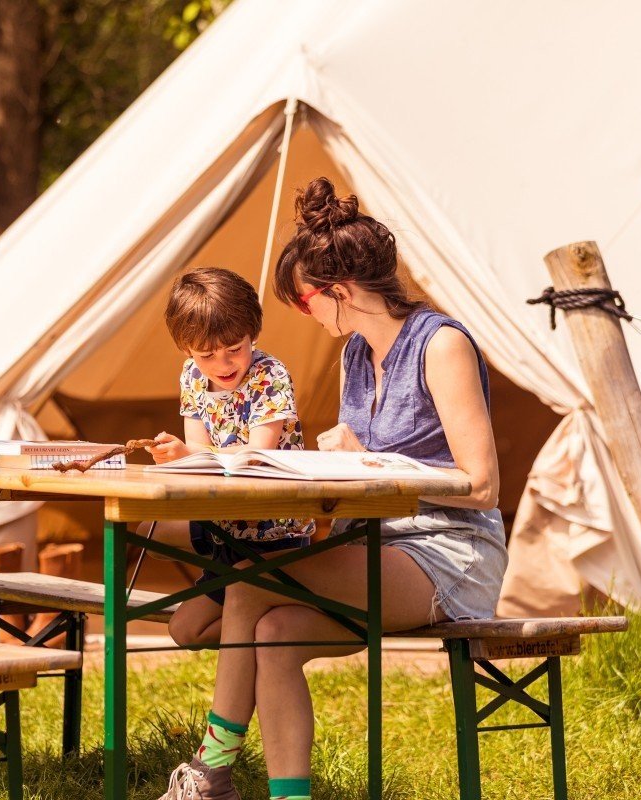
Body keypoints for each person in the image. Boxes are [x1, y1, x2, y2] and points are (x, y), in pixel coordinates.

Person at [156, 179, 507, 800]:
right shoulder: (354, 355)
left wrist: (370, 461)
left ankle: (210, 771)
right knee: (272, 632)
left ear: (338, 292)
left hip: (447, 552)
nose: (306, 315)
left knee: (251, 578)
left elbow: (481, 486)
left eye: (304, 302)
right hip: (367, 546)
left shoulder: (441, 345)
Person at [144, 267, 315, 649]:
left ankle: (271, 622)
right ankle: (258, 622)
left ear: (252, 333)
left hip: (275, 530)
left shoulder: (269, 375)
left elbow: (257, 454)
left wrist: (191, 453)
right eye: (207, 355)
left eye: (235, 349)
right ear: (187, 349)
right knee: (183, 629)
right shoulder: (192, 375)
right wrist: (176, 456)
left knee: (244, 611)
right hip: (226, 526)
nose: (223, 364)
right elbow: (197, 451)